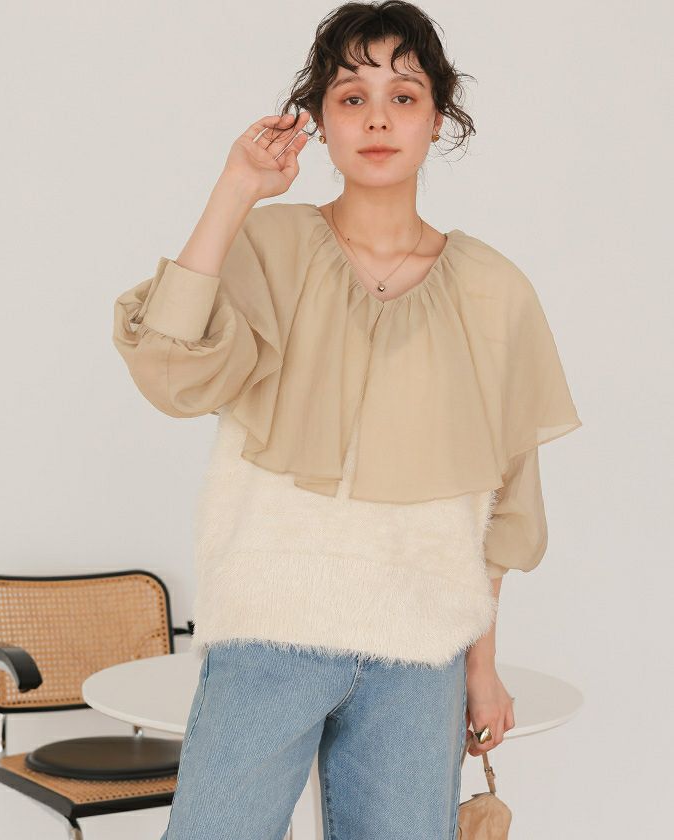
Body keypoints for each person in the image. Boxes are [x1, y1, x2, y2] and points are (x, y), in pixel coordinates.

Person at [111, 3, 581, 838]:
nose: (377, 119)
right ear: (319, 122)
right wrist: (236, 188)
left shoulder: (495, 290)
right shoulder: (269, 245)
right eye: (351, 97)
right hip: (268, 630)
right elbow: (171, 371)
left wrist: (482, 666)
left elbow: (502, 501)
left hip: (421, 654)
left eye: (403, 96)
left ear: (439, 119)